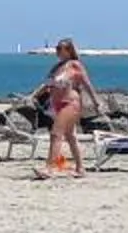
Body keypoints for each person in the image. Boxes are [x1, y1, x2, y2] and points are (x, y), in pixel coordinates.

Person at [37, 39, 98, 174]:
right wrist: (33, 95)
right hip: (56, 104)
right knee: (70, 136)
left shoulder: (75, 65)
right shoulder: (57, 67)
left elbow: (87, 84)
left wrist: (96, 102)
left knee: (56, 134)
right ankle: (80, 168)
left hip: (70, 103)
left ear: (69, 51)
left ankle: (49, 168)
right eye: (56, 48)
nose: (57, 51)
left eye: (60, 49)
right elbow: (48, 85)